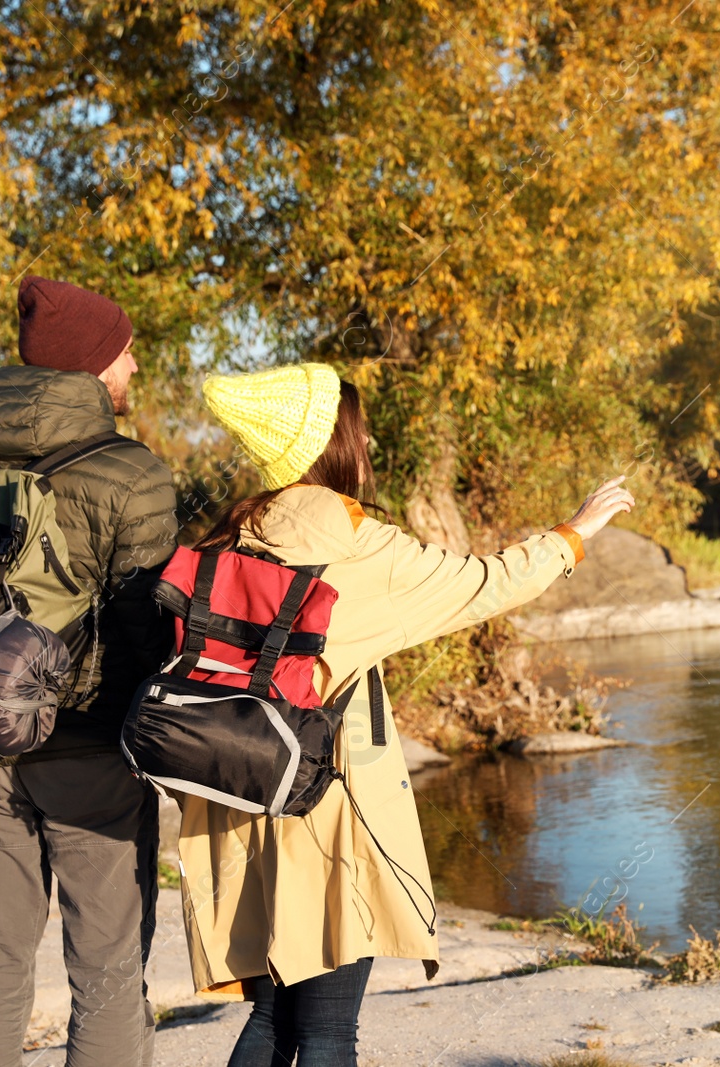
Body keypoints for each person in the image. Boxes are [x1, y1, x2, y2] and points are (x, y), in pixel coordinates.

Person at [176, 362, 634, 1066]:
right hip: (325, 808)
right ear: (333, 447)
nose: (367, 449)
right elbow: (485, 583)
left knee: (270, 1018)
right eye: (357, 433)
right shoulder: (362, 550)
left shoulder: (229, 540)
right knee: (328, 1030)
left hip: (239, 800)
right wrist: (574, 533)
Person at [0, 276, 179, 1067]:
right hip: (90, 752)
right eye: (125, 354)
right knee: (110, 976)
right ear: (92, 365)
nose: (133, 370)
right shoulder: (134, 472)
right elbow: (145, 633)